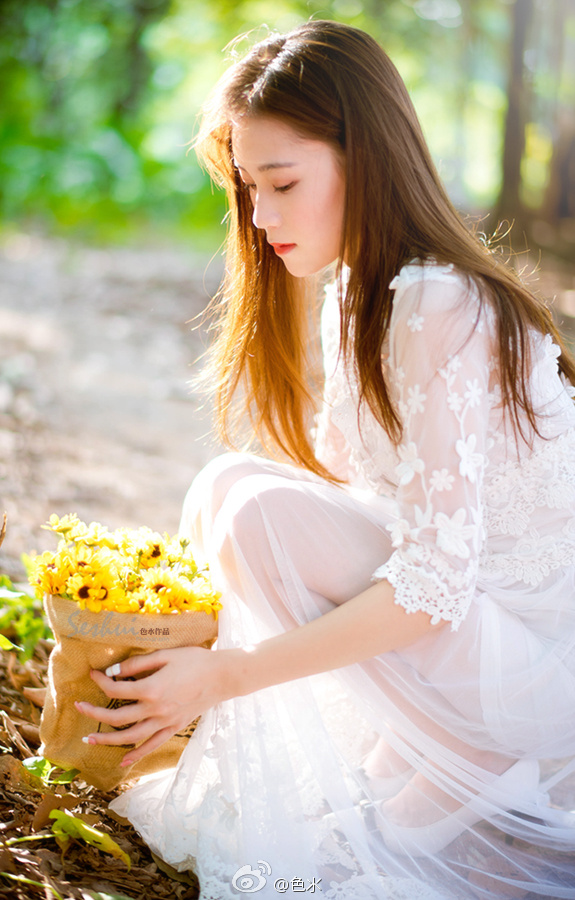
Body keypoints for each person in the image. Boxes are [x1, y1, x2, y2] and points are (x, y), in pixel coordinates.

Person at [75, 20, 575, 899]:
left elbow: (433, 583)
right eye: (248, 188)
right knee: (234, 485)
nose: (261, 217)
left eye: (282, 183)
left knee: (255, 508)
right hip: (485, 641)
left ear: (366, 160)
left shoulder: (436, 303)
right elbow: (391, 523)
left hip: (535, 679)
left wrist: (224, 677)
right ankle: (426, 771)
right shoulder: (360, 288)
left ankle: (477, 767)